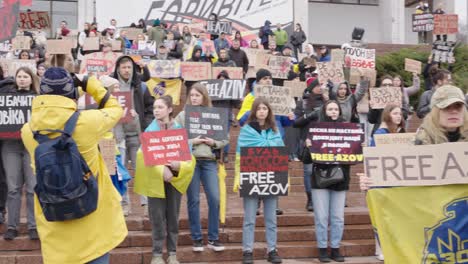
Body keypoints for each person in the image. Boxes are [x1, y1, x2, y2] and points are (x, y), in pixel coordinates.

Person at [21, 67, 127, 263]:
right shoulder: (88, 123)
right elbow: (115, 108)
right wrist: (88, 83)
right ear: (70, 94)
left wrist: (70, 93)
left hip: (55, 227)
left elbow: (55, 110)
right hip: (93, 223)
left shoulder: (28, 131)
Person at [359, 85, 468, 259]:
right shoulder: (419, 145)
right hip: (435, 224)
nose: (453, 112)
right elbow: (399, 188)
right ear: (435, 111)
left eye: (458, 107)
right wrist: (374, 183)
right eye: (446, 107)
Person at [134, 96, 195, 264]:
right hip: (156, 180)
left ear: (169, 109)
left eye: (160, 107)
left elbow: (189, 158)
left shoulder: (179, 130)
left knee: (173, 217)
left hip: (174, 181)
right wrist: (161, 169)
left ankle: (173, 253)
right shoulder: (149, 130)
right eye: (154, 107)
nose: (156, 110)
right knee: (157, 217)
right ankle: (157, 254)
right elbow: (141, 155)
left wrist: (178, 166)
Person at [175, 84, 228, 252]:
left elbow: (225, 138)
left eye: (197, 95)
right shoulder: (183, 115)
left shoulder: (213, 115)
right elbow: (174, 137)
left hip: (209, 161)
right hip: (191, 162)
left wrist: (215, 142)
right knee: (194, 200)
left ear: (204, 97)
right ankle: (196, 238)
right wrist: (192, 141)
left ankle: (213, 238)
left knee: (215, 198)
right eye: (192, 95)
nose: (194, 98)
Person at [233, 98, 284, 264]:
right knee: (249, 218)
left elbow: (281, 155)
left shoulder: (275, 131)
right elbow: (240, 156)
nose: (262, 111)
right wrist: (239, 177)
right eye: (259, 108)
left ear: (269, 111)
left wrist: (284, 179)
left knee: (271, 218)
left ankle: (272, 250)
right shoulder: (246, 131)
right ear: (254, 111)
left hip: (271, 178)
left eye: (265, 108)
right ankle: (247, 251)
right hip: (251, 177)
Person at [110, 56, 154, 212]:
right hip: (117, 135)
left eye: (129, 67)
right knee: (120, 172)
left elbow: (150, 109)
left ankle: (147, 203)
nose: (126, 70)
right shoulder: (110, 88)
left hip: (136, 134)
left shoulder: (140, 87)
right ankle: (124, 204)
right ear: (118, 69)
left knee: (141, 169)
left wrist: (143, 123)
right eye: (123, 67)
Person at [308, 100, 350, 263]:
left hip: (340, 179)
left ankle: (336, 248)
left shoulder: (348, 130)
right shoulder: (316, 129)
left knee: (338, 217)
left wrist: (356, 147)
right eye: (330, 109)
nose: (333, 112)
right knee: (321, 216)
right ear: (325, 111)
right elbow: (306, 159)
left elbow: (353, 159)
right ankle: (322, 249)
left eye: (336, 109)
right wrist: (308, 146)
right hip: (320, 179)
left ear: (339, 112)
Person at [1, 68, 38, 241]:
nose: (22, 79)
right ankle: (12, 226)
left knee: (32, 188)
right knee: (13, 188)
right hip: (11, 146)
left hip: (31, 146)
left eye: (25, 76)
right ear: (15, 79)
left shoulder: (39, 99)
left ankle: (33, 226)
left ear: (32, 79)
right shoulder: (4, 98)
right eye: (19, 77)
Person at [293, 77, 328, 212]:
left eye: (321, 85)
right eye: (316, 85)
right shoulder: (303, 103)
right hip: (307, 141)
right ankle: (311, 199)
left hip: (324, 142)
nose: (319, 88)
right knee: (308, 171)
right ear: (311, 87)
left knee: (323, 169)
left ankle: (323, 197)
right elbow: (295, 123)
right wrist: (309, 116)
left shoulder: (327, 102)